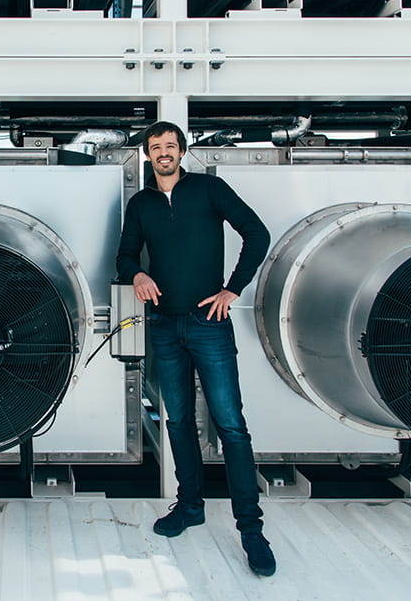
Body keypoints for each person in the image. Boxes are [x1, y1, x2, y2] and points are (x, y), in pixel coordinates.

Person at [115, 121, 275, 576]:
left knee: (231, 425)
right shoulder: (141, 203)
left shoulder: (209, 189)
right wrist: (138, 276)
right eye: (155, 147)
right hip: (165, 326)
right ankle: (190, 507)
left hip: (210, 323)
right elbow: (126, 255)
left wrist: (232, 289)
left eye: (170, 146)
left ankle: (251, 531)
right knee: (179, 420)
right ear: (147, 155)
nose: (163, 153)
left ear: (182, 151)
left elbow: (257, 234)